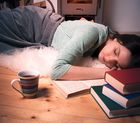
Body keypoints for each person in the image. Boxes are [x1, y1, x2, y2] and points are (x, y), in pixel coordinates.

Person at [0, 6, 140, 80]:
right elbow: (57, 71)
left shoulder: (104, 37)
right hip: (30, 24)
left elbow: (83, 24)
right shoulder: (92, 33)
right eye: (115, 51)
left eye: (116, 64)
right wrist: (106, 73)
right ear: (117, 39)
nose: (108, 59)